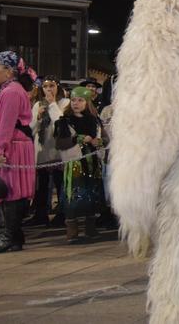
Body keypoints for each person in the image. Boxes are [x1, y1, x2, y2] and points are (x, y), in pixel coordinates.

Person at [0, 51, 36, 254]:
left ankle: (8, 236)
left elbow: (6, 126)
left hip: (13, 146)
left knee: (11, 192)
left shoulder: (11, 92)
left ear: (8, 72)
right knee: (10, 192)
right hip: (14, 144)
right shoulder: (9, 90)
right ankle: (15, 237)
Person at [54, 86, 106, 243]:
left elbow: (106, 139)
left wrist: (100, 141)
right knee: (73, 197)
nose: (76, 103)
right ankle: (72, 230)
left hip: (92, 164)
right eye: (74, 100)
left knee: (93, 195)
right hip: (74, 164)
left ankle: (91, 228)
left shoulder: (96, 121)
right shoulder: (63, 122)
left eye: (80, 100)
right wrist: (76, 139)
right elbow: (59, 143)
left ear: (87, 102)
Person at [27, 76, 69, 227]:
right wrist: (38, 118)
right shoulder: (38, 104)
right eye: (45, 87)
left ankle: (62, 214)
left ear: (58, 87)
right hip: (42, 151)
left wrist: (52, 104)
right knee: (42, 186)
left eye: (52, 86)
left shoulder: (65, 103)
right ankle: (40, 214)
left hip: (58, 152)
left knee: (60, 184)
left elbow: (61, 122)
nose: (49, 89)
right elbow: (30, 129)